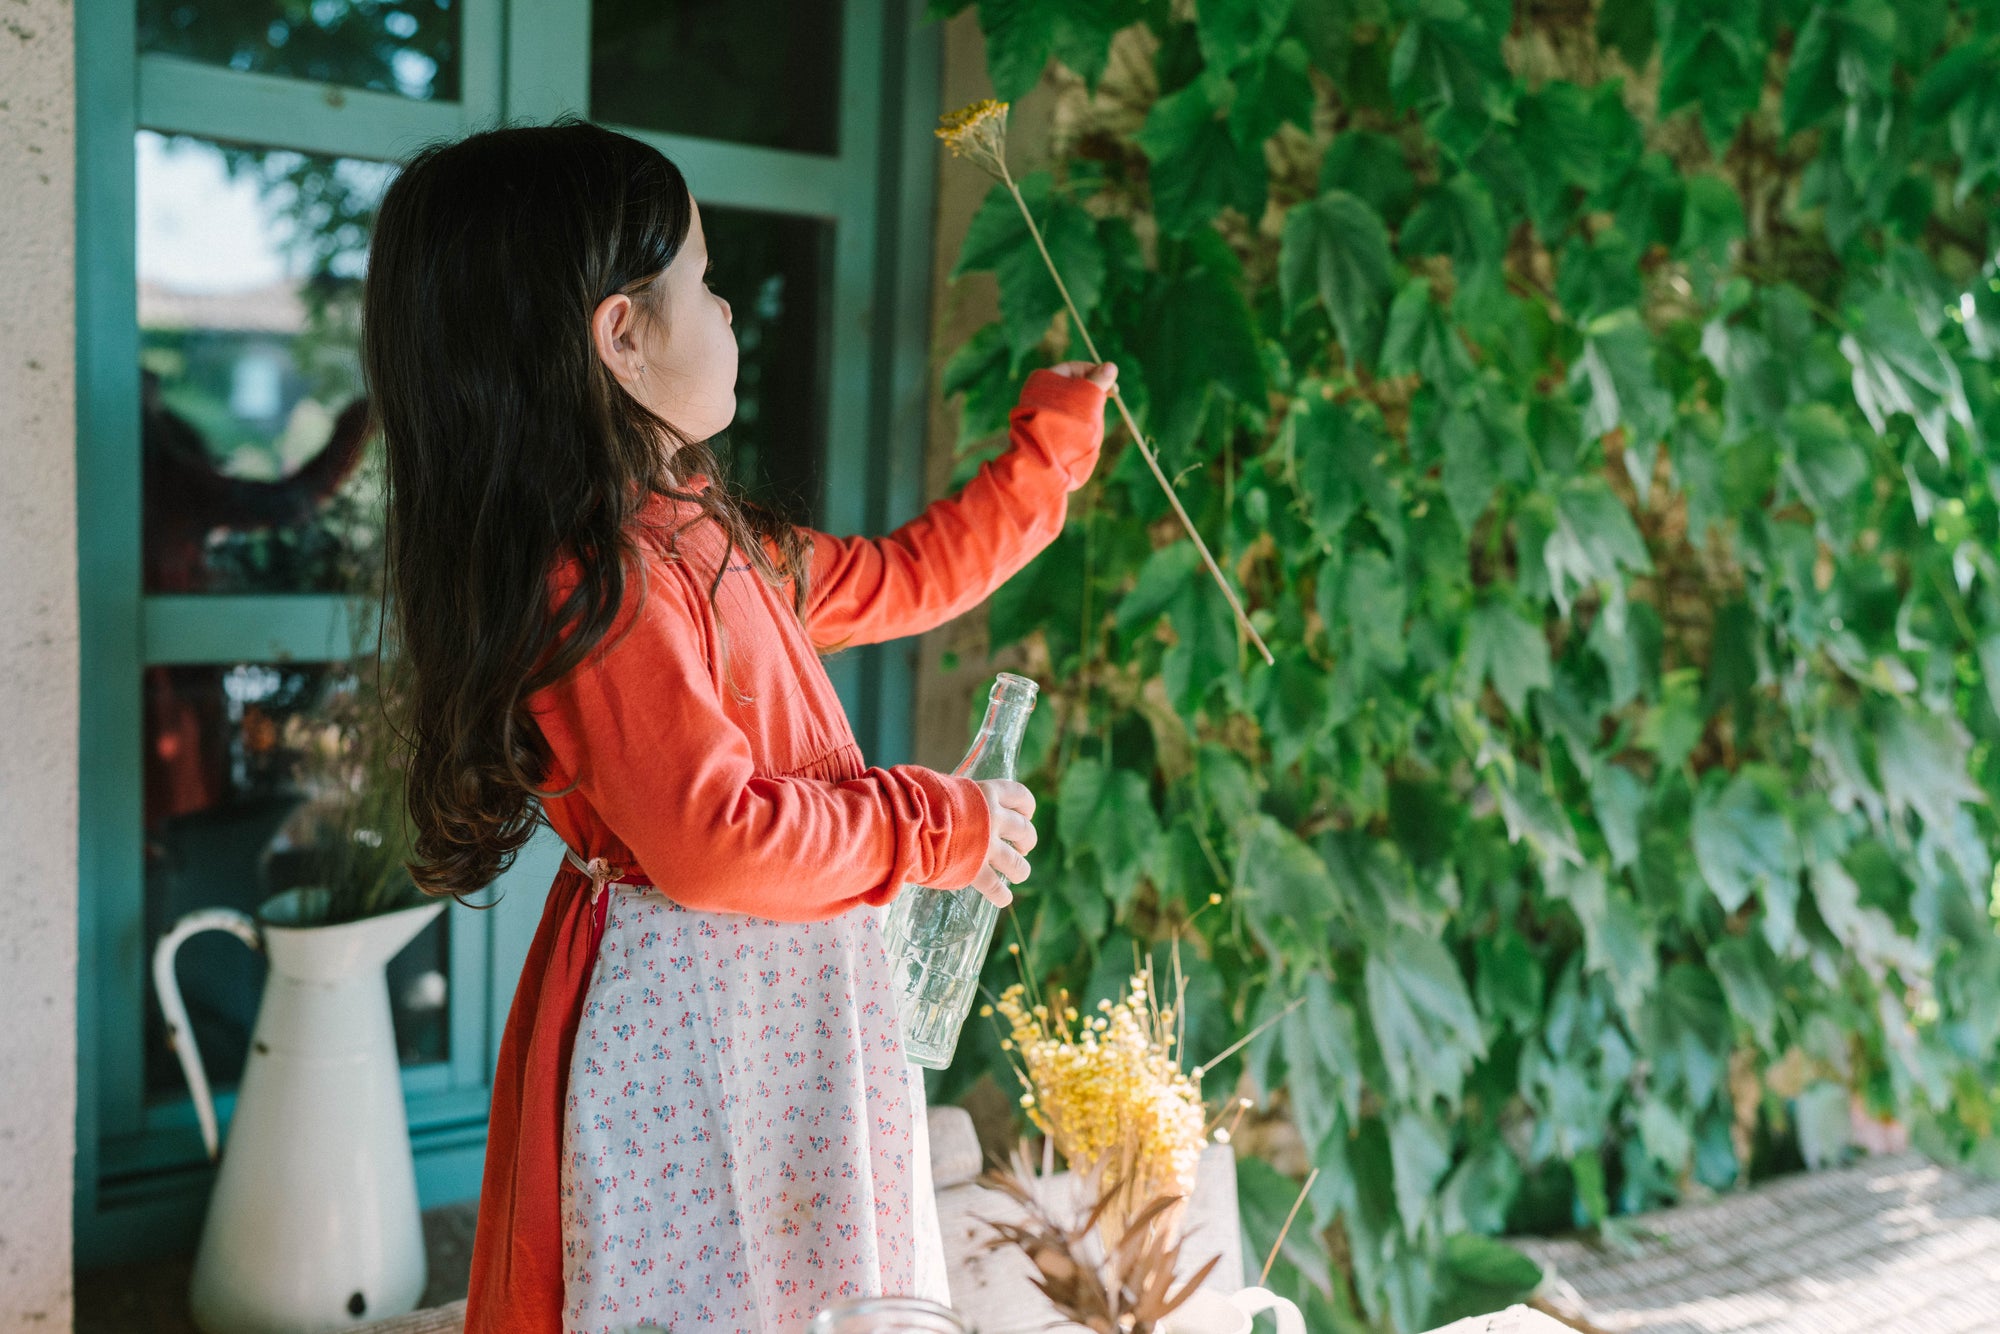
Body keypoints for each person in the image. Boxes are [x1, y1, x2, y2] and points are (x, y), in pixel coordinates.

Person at [360, 119, 1113, 1334]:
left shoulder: (710, 541)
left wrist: (1051, 452)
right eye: (705, 286)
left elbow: (911, 573)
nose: (729, 316)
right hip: (696, 1035)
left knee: (805, 1292)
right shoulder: (594, 583)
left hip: (779, 1014)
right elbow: (715, 840)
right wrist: (932, 822)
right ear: (620, 337)